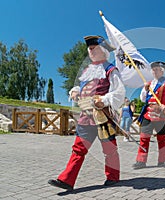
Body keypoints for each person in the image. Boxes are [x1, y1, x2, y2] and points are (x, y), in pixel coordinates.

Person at [48, 35, 125, 190]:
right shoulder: (87, 71)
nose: (91, 51)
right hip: (85, 117)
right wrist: (74, 92)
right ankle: (67, 180)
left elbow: (119, 92)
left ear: (103, 51)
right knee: (78, 148)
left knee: (109, 150)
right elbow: (79, 87)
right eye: (89, 49)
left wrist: (104, 99)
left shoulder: (111, 70)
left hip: (103, 117)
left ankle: (113, 177)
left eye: (94, 48)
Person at [133, 61, 165, 169]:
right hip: (148, 114)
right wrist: (145, 89)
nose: (155, 71)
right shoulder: (149, 83)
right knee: (144, 137)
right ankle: (141, 161)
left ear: (162, 71)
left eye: (157, 69)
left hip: (161, 115)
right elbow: (143, 99)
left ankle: (161, 161)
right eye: (153, 70)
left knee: (161, 138)